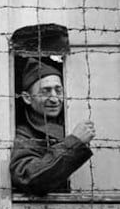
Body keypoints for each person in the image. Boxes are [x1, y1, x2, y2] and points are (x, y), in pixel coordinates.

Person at [10, 58, 95, 196]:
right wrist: (74, 143)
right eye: (46, 91)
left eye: (58, 90)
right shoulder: (24, 134)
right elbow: (29, 178)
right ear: (27, 98)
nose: (55, 99)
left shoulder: (70, 121)